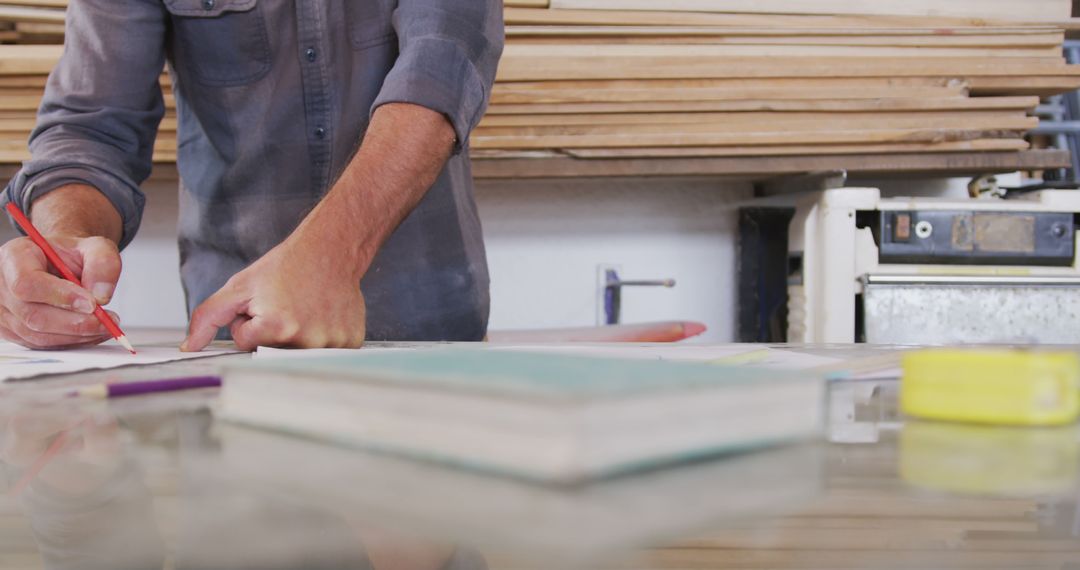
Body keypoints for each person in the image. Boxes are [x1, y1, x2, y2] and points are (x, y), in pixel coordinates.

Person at [0, 0, 503, 352]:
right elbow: (92, 127)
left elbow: (441, 69)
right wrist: (64, 239)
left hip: (428, 336)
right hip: (234, 338)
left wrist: (333, 253)